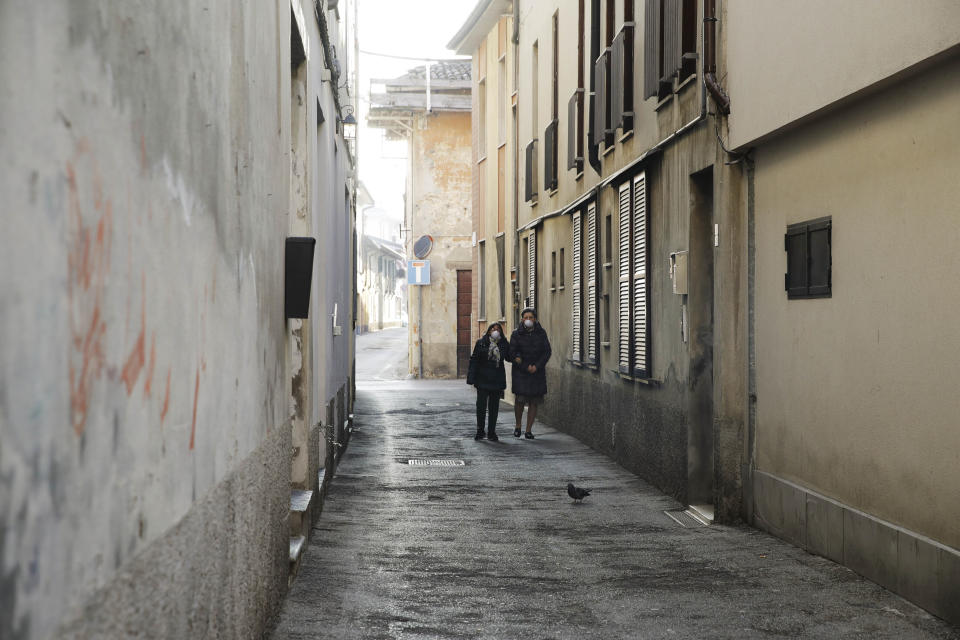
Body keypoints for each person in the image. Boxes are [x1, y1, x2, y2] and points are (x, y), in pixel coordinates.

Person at [510, 307, 552, 439]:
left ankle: (528, 430)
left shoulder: (541, 333)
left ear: (535, 319)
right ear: (522, 319)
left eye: (531, 318)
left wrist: (537, 366)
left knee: (534, 401)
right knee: (520, 400)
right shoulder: (516, 334)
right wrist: (525, 366)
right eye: (526, 318)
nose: (528, 320)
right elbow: (512, 353)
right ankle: (518, 426)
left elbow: (547, 352)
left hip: (536, 373)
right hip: (521, 372)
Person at [466, 322, 511, 441]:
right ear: (489, 331)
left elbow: (509, 357)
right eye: (492, 329)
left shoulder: (503, 344)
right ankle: (480, 430)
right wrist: (471, 377)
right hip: (482, 379)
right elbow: (474, 360)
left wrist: (507, 344)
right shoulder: (481, 343)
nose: (495, 331)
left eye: (498, 329)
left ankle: (492, 432)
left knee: (494, 407)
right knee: (480, 406)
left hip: (496, 379)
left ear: (500, 332)